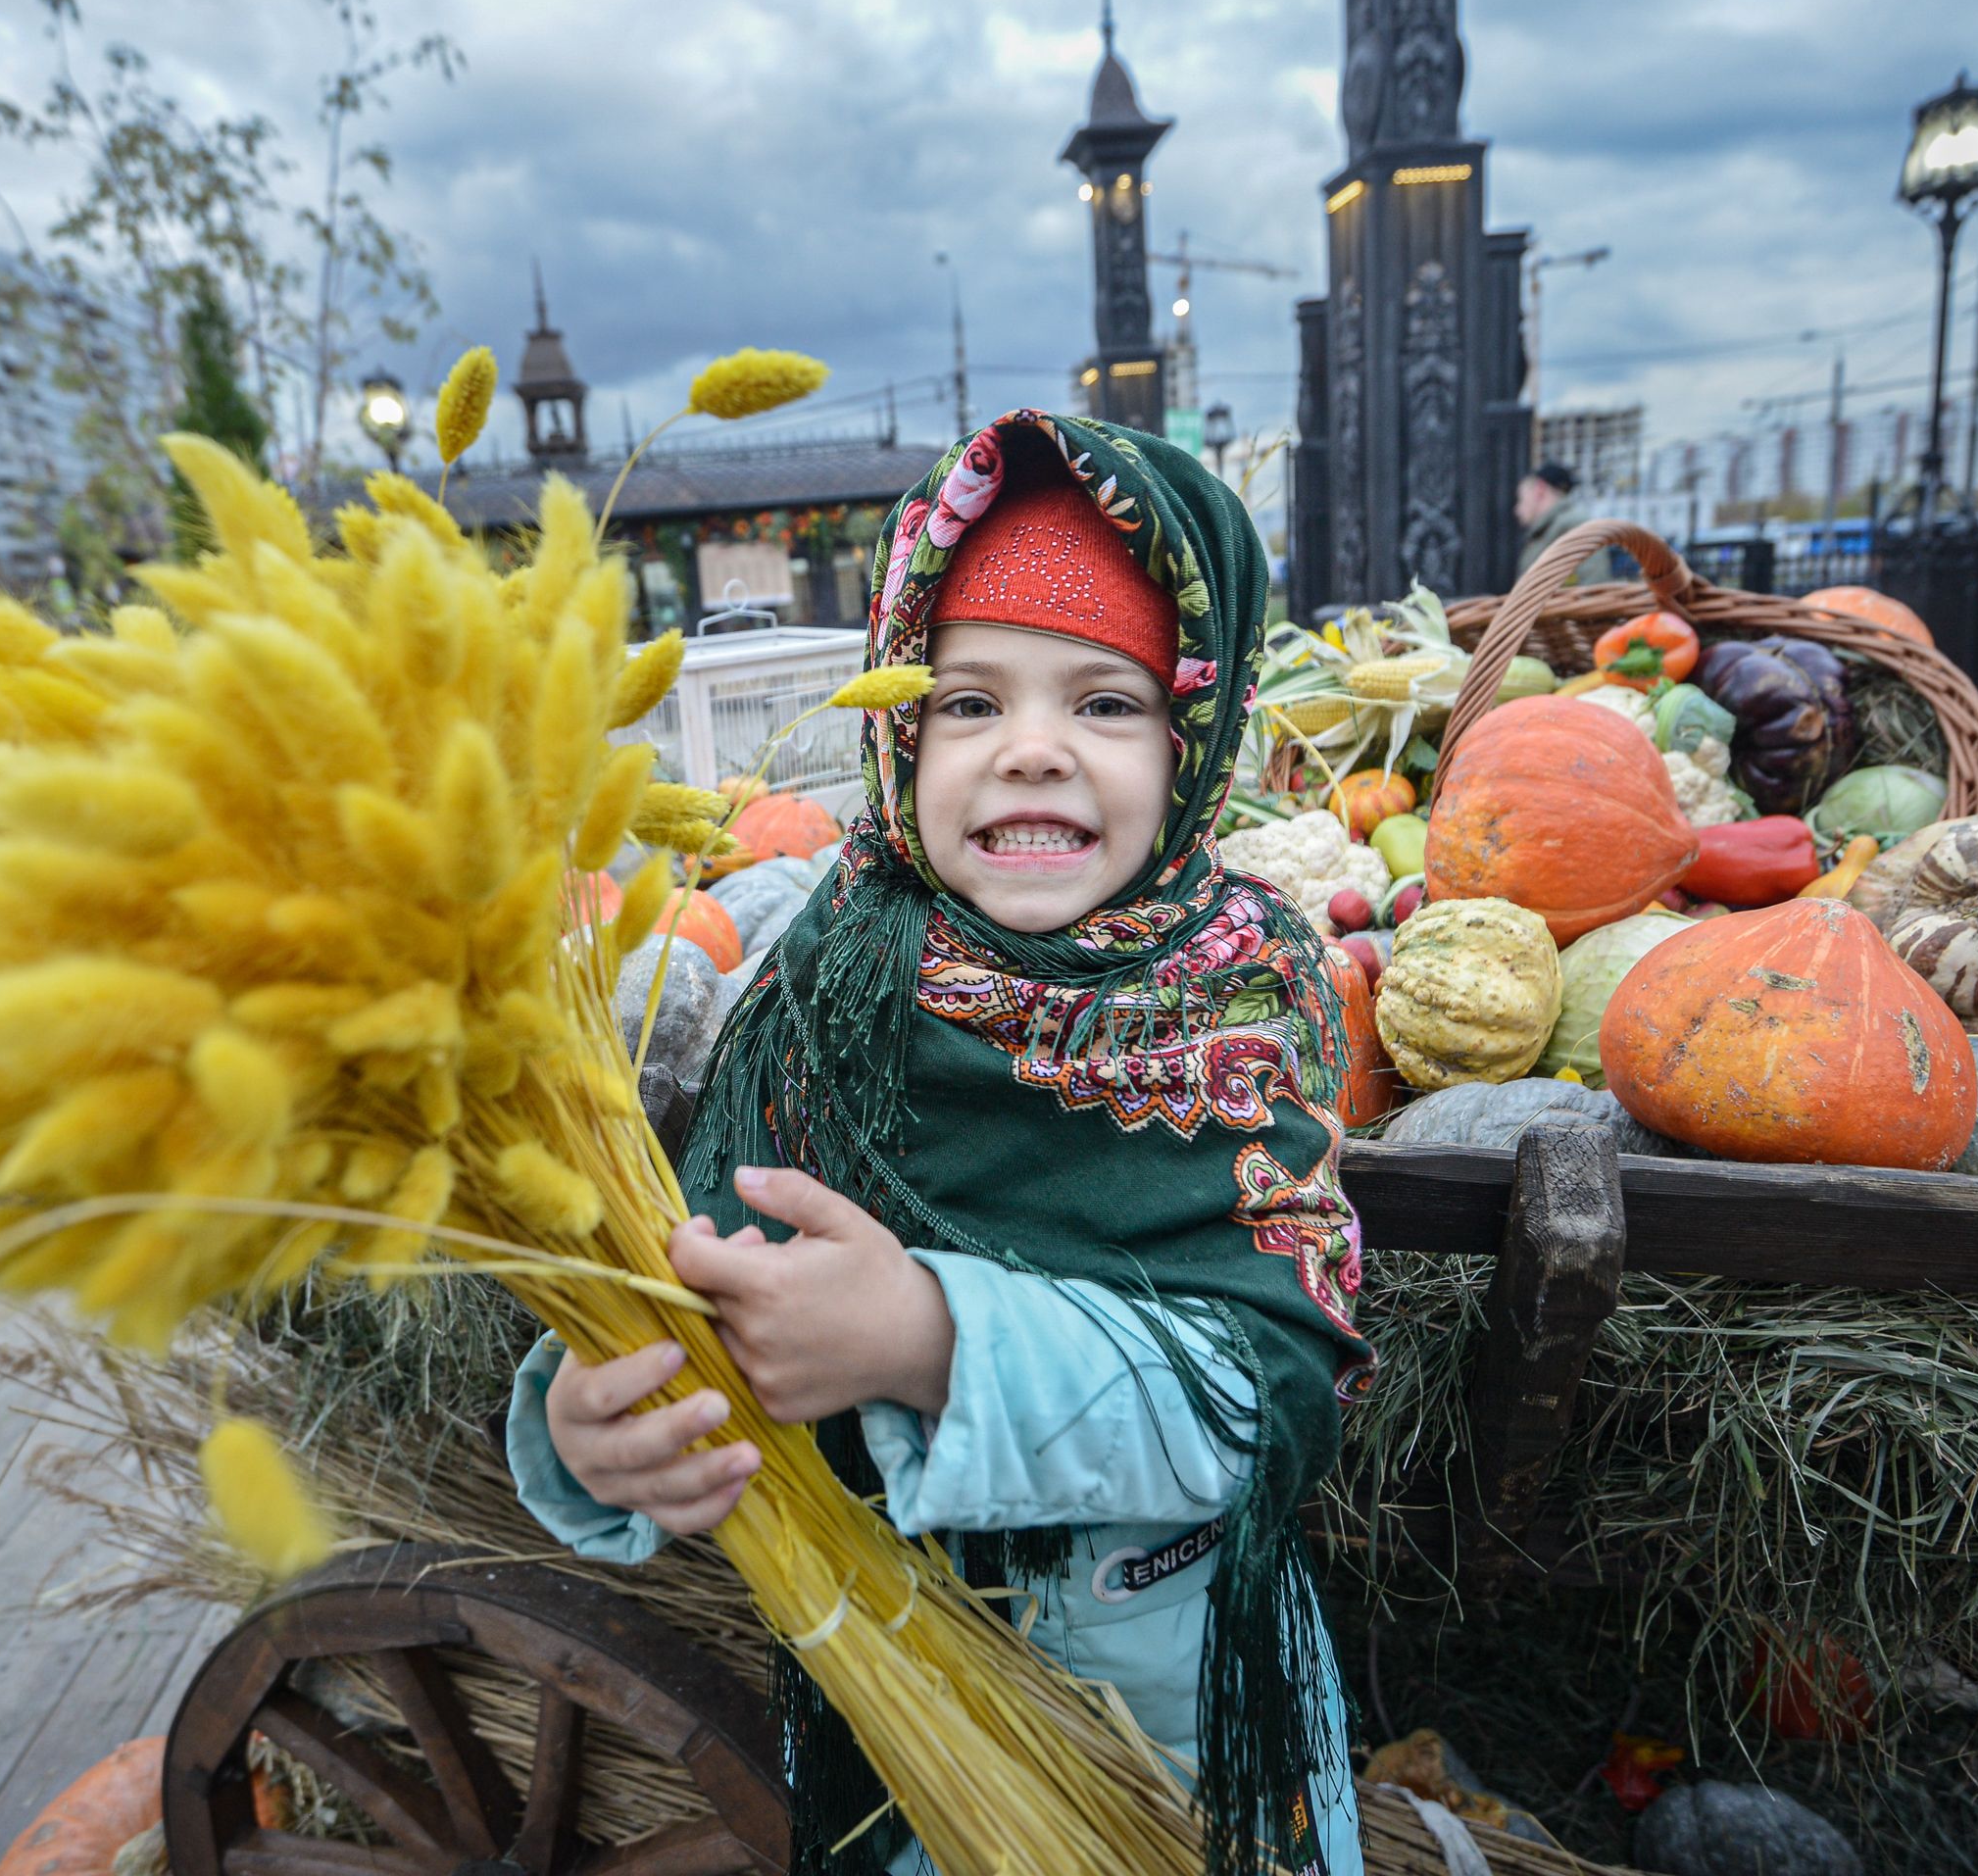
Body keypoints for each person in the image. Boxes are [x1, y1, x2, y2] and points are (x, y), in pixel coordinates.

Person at [508, 412, 1371, 1876]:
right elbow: (697, 1280)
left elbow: (1269, 1397)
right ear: (897, 732)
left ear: (1193, 736)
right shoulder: (830, 981)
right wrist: (594, 1429)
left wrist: (931, 1340)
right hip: (888, 1719)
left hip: (1184, 1733)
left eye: (1105, 705)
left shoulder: (1242, 994)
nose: (1031, 751)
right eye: (969, 704)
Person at [1513, 459, 1592, 583]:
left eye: (1521, 499)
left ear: (1540, 490)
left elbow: (1594, 582)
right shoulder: (1547, 531)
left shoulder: (1571, 525)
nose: (1517, 510)